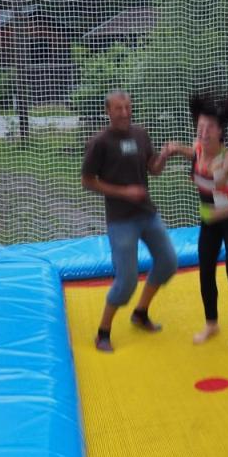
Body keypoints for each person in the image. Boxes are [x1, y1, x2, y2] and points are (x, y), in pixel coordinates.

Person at [157, 89, 228, 355]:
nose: (203, 131)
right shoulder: (199, 147)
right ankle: (211, 324)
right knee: (205, 274)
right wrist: (176, 149)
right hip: (209, 222)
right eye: (200, 126)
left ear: (220, 130)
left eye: (209, 127)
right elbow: (193, 153)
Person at [81, 90, 178, 353]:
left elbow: (153, 170)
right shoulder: (100, 142)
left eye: (127, 107)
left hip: (147, 214)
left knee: (169, 263)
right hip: (121, 221)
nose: (124, 113)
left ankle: (140, 312)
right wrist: (123, 192)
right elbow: (87, 181)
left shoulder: (140, 134)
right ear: (108, 112)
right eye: (118, 108)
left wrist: (165, 155)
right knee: (127, 280)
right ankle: (103, 331)